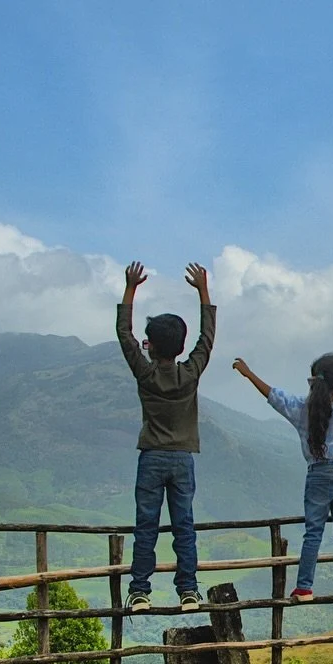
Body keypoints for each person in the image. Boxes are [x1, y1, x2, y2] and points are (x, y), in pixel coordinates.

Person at [232, 354, 333, 602]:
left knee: (314, 532)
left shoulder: (304, 410)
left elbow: (274, 396)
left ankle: (304, 588)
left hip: (319, 473)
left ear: (314, 381)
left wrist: (249, 374)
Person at [117, 261, 215, 612]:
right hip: (183, 458)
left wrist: (131, 288)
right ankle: (188, 590)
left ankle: (140, 591)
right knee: (183, 525)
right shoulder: (190, 374)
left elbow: (124, 334)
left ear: (151, 347)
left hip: (152, 457)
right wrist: (203, 291)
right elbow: (207, 339)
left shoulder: (145, 375)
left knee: (146, 526)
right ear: (180, 347)